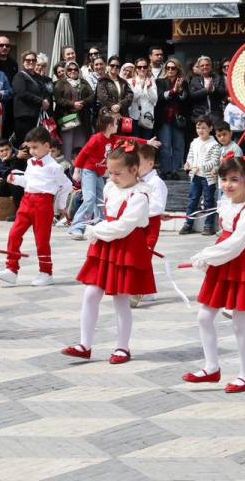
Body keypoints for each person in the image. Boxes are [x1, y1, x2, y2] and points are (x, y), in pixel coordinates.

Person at [62, 144, 155, 365]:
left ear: (134, 170)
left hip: (125, 244)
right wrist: (99, 230)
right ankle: (85, 344)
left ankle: (122, 347)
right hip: (106, 244)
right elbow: (110, 217)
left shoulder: (141, 195)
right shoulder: (111, 188)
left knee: (120, 299)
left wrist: (95, 230)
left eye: (117, 173)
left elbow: (124, 226)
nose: (112, 178)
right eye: (110, 173)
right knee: (91, 294)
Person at [184, 154, 245, 393]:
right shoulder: (226, 205)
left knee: (239, 323)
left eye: (234, 179)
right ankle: (212, 367)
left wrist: (207, 256)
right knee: (204, 316)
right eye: (224, 179)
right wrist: (210, 257)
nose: (227, 185)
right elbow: (225, 240)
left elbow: (236, 244)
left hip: (242, 267)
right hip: (224, 264)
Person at [0, 126, 72, 287]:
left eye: (34, 147)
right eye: (29, 147)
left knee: (42, 240)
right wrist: (16, 179)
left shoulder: (55, 167)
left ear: (47, 146)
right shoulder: (30, 162)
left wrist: (61, 206)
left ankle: (46, 272)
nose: (31, 151)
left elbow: (67, 185)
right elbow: (29, 181)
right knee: (14, 234)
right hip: (27, 201)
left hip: (43, 204)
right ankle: (11, 269)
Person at [129, 142, 168, 309]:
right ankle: (148, 291)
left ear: (150, 164)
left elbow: (157, 206)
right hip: (139, 225)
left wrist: (140, 210)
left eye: (138, 163)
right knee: (141, 255)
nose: (135, 167)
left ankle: (138, 289)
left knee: (144, 257)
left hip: (151, 225)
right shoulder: (137, 181)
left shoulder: (157, 182)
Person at [69, 113, 119, 239]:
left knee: (101, 200)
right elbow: (83, 153)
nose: (118, 125)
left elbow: (130, 140)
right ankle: (77, 226)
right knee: (90, 199)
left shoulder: (113, 139)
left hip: (99, 173)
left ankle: (100, 225)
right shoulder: (96, 138)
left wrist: (147, 142)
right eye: (116, 123)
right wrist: (77, 170)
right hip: (89, 171)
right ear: (109, 125)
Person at [182, 115, 222, 236]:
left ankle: (209, 225)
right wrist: (187, 164)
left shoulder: (215, 144)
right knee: (193, 199)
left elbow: (215, 161)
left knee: (209, 200)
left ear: (210, 128)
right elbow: (190, 156)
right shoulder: (194, 142)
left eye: (204, 128)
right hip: (195, 176)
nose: (200, 130)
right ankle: (188, 223)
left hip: (208, 178)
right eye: (198, 128)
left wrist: (200, 167)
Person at [154, 58, 189, 178]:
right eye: (168, 68)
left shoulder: (183, 82)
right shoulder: (160, 81)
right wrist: (173, 91)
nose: (170, 70)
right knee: (165, 145)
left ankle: (175, 171)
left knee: (178, 146)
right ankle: (165, 170)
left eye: (173, 68)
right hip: (164, 118)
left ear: (177, 69)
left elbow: (185, 98)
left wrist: (179, 91)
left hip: (178, 119)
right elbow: (160, 97)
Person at [53, 61, 93, 161]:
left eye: (75, 69)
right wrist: (72, 104)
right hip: (67, 117)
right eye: (70, 69)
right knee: (67, 144)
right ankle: (67, 169)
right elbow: (58, 99)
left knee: (80, 145)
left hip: (82, 118)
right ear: (66, 71)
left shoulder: (84, 82)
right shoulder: (61, 83)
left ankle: (78, 168)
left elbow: (92, 96)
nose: (73, 71)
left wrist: (82, 103)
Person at [12, 51, 53, 143]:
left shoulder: (39, 77)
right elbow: (21, 93)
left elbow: (46, 92)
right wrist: (41, 101)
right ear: (23, 62)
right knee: (25, 142)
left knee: (35, 142)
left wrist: (46, 100)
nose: (31, 62)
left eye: (33, 60)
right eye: (28, 60)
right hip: (24, 115)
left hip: (36, 115)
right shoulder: (20, 76)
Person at [186, 55, 226, 124]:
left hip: (216, 115)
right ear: (199, 67)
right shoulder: (194, 80)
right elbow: (192, 95)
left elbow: (223, 93)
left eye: (207, 65)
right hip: (200, 115)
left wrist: (213, 89)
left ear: (211, 66)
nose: (205, 67)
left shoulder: (218, 78)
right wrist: (205, 90)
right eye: (202, 65)